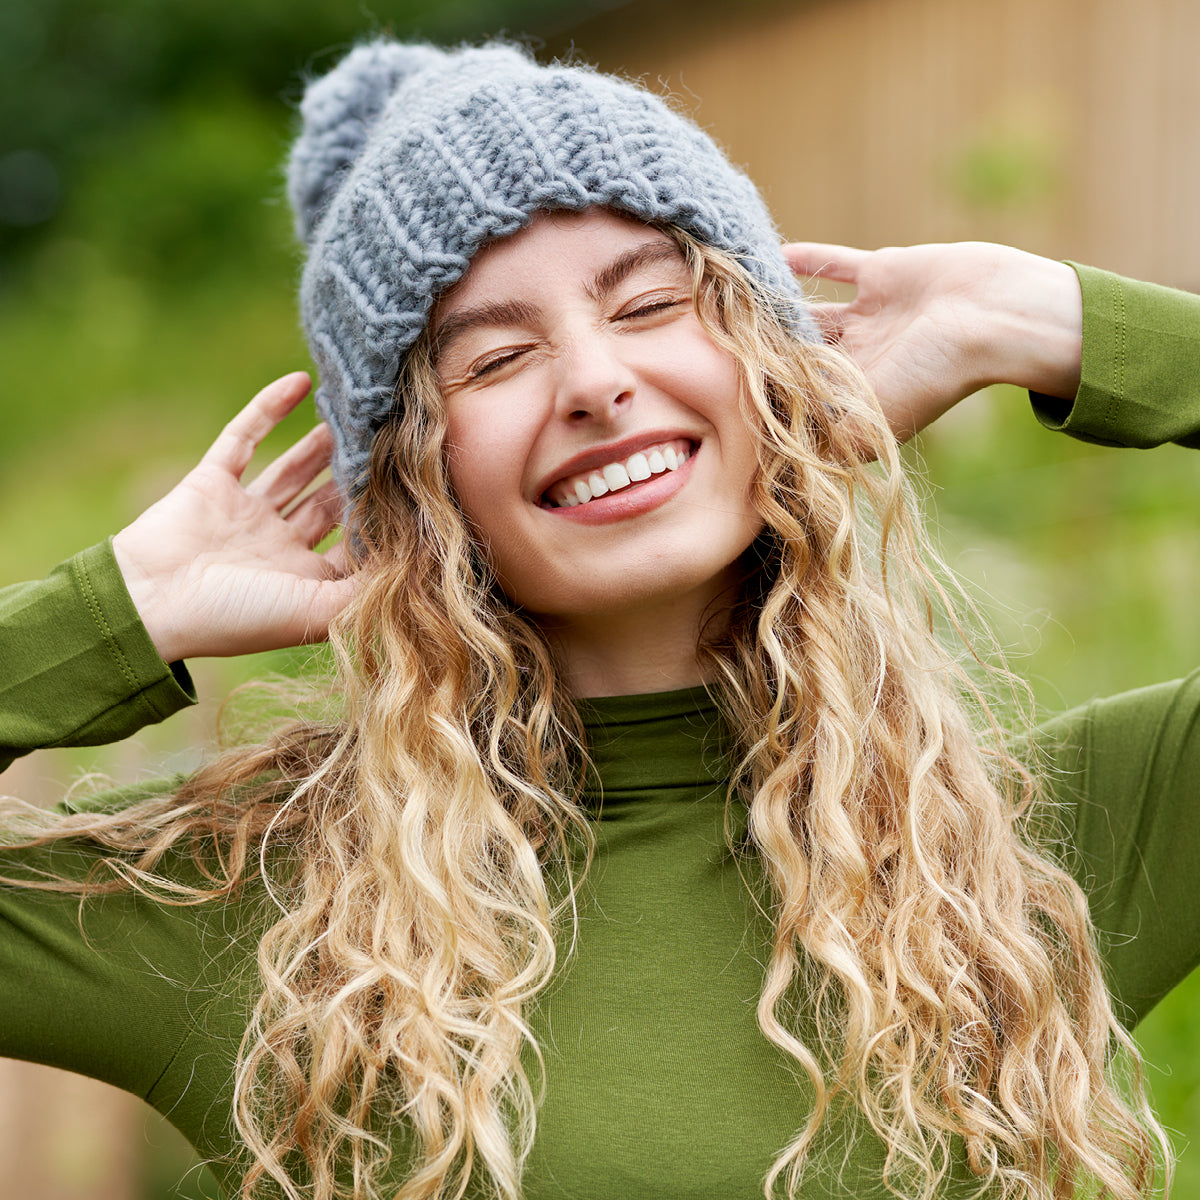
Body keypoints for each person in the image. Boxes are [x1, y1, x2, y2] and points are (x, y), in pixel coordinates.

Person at [3, 38, 1200, 1200]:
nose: (592, 383)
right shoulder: (250, 907)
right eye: (495, 360)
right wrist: (123, 612)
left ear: (767, 363)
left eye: (650, 306)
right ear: (416, 482)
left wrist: (1046, 325)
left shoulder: (1045, 851)